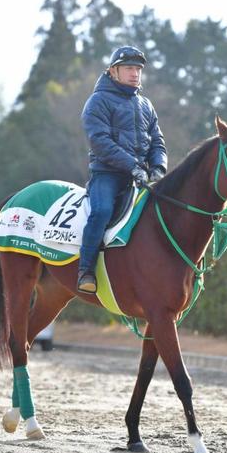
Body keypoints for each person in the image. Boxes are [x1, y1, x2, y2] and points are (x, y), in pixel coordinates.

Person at [78, 45, 168, 294]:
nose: (135, 73)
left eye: (138, 69)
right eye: (129, 68)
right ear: (113, 71)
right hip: (107, 174)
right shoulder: (97, 101)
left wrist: (159, 166)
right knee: (102, 210)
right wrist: (133, 166)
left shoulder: (146, 105)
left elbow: (157, 141)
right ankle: (85, 270)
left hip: (142, 176)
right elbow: (100, 142)